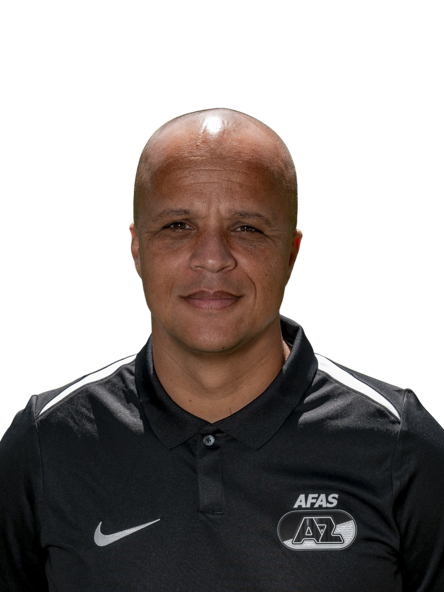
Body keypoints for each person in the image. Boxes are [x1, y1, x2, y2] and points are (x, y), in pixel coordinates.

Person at [1, 106, 443, 592]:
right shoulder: (45, 440)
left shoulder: (402, 443)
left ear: (292, 253)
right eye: (178, 225)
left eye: (246, 228)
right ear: (135, 248)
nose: (212, 258)